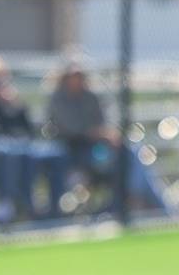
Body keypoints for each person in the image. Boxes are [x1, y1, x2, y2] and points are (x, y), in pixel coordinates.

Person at [46, 60, 171, 215]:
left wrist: (108, 135)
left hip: (97, 149)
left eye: (79, 76)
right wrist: (98, 133)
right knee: (118, 163)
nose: (77, 80)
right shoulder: (59, 99)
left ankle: (149, 204)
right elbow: (72, 129)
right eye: (73, 76)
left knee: (132, 153)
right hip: (73, 151)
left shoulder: (89, 97)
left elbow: (102, 122)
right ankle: (139, 203)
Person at [0, 54, 67, 221]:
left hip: (20, 145)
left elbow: (27, 128)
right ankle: (14, 203)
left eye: (0, 82)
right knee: (13, 155)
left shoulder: (10, 103)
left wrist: (15, 105)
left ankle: (52, 208)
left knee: (54, 153)